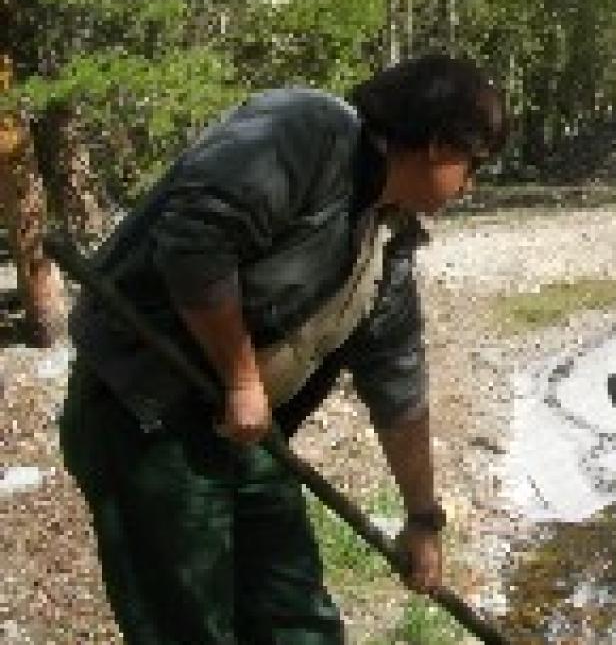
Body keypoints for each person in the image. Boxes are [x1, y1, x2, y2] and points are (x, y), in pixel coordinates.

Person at [59, 53, 507, 644]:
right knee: (188, 626)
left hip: (246, 432)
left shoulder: (387, 240)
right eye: (473, 165)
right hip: (144, 413)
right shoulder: (306, 131)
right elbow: (195, 240)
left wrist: (423, 520)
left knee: (297, 621)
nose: (470, 186)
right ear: (438, 146)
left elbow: (397, 384)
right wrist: (242, 380)